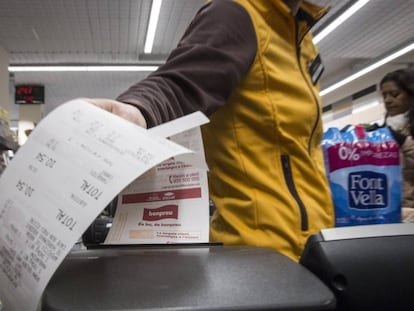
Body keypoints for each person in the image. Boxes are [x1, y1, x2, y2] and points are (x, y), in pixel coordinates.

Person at [85, 0, 335, 261]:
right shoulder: (237, 14)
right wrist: (138, 110)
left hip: (317, 244)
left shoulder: (301, 34)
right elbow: (181, 82)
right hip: (263, 257)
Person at [374, 68, 414, 222]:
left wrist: (404, 142)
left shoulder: (404, 135)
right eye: (384, 96)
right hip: (389, 209)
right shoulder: (383, 131)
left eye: (395, 94)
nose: (388, 100)